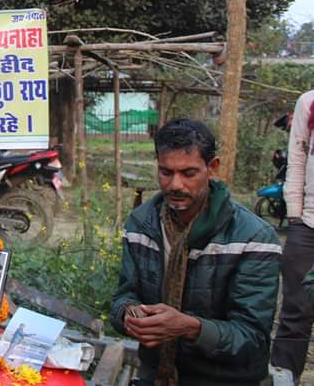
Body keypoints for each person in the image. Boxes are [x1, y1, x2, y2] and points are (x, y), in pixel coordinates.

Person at [111, 118, 281, 386]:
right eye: (166, 172)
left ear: (212, 168)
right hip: (156, 374)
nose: (175, 184)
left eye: (189, 173)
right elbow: (123, 296)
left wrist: (191, 328)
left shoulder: (254, 238)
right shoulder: (141, 224)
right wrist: (130, 315)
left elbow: (252, 339)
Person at [272, 89, 314, 381]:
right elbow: (297, 156)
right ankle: (285, 377)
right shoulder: (309, 102)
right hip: (308, 224)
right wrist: (295, 214)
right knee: (296, 309)